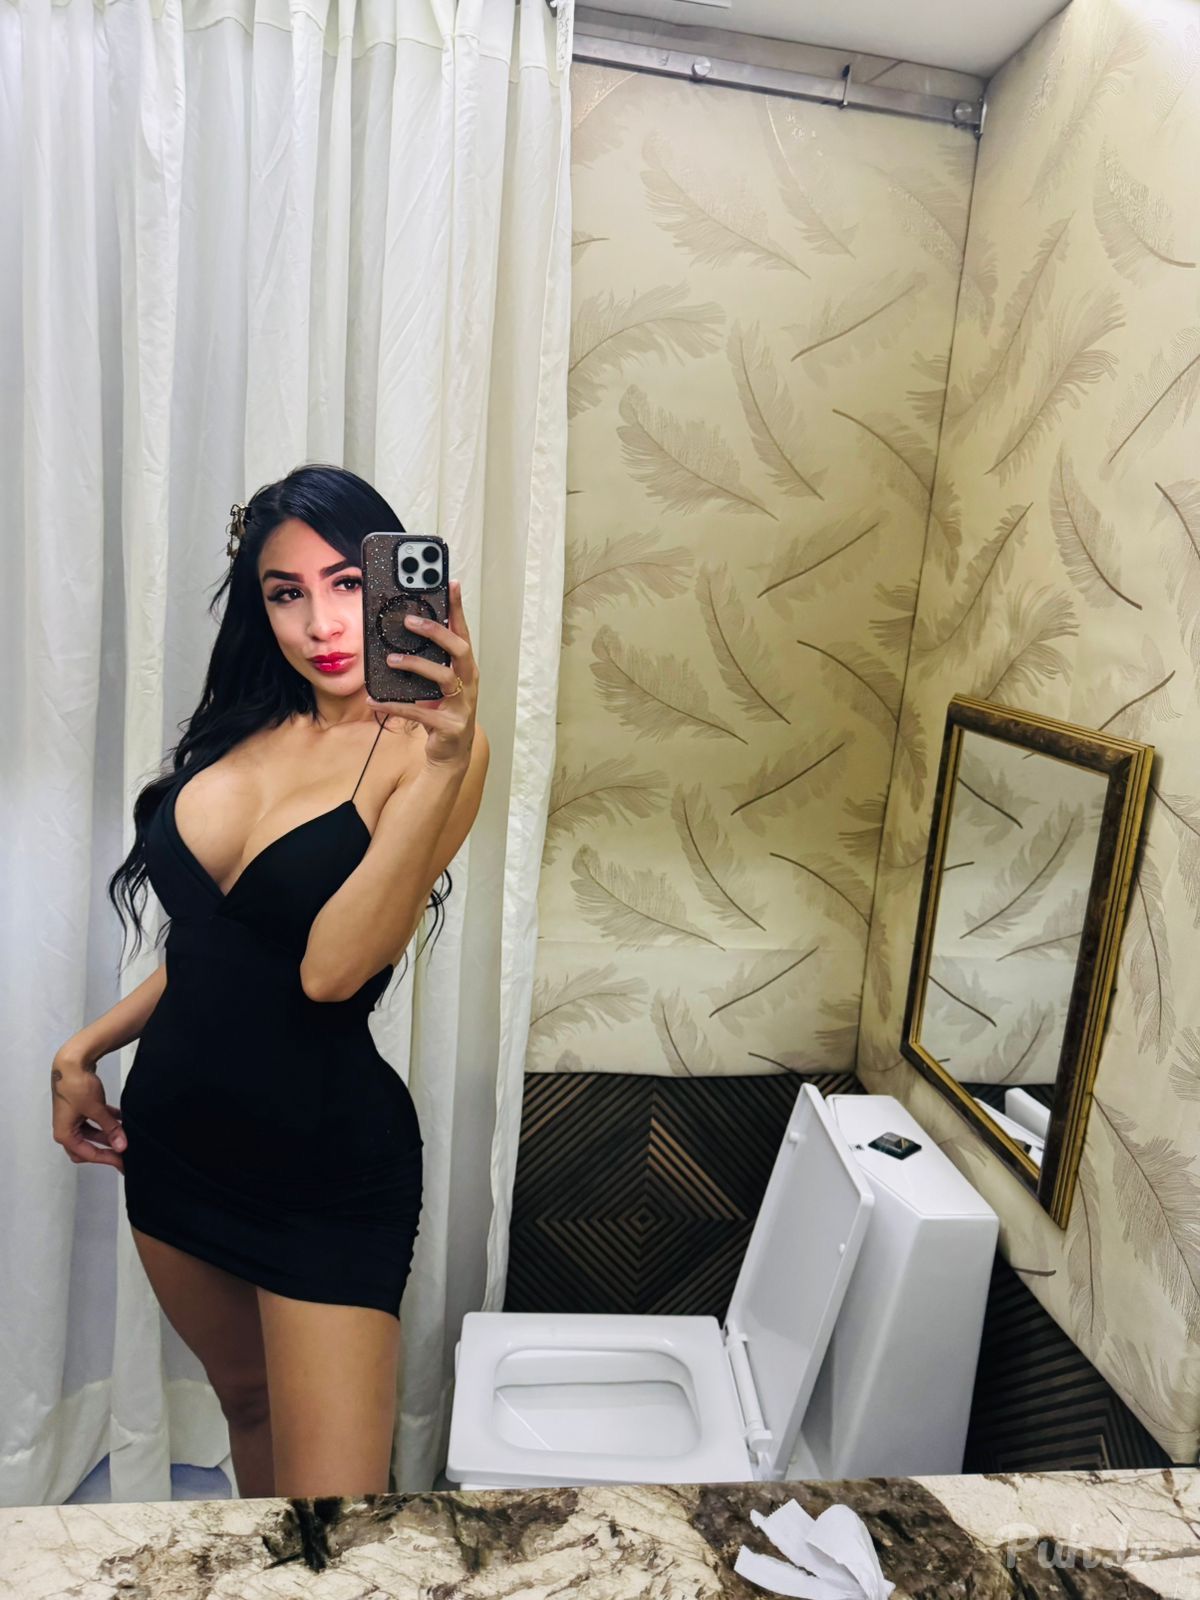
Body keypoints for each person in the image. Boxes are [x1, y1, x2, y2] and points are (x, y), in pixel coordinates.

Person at [50, 464, 489, 1498]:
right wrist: (85, 1047)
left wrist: (443, 761)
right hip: (176, 1144)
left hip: (321, 1172)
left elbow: (330, 972)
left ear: (399, 588)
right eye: (286, 592)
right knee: (244, 1408)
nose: (319, 623)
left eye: (347, 584)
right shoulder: (248, 723)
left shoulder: (430, 752)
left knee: (334, 1519)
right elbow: (218, 947)